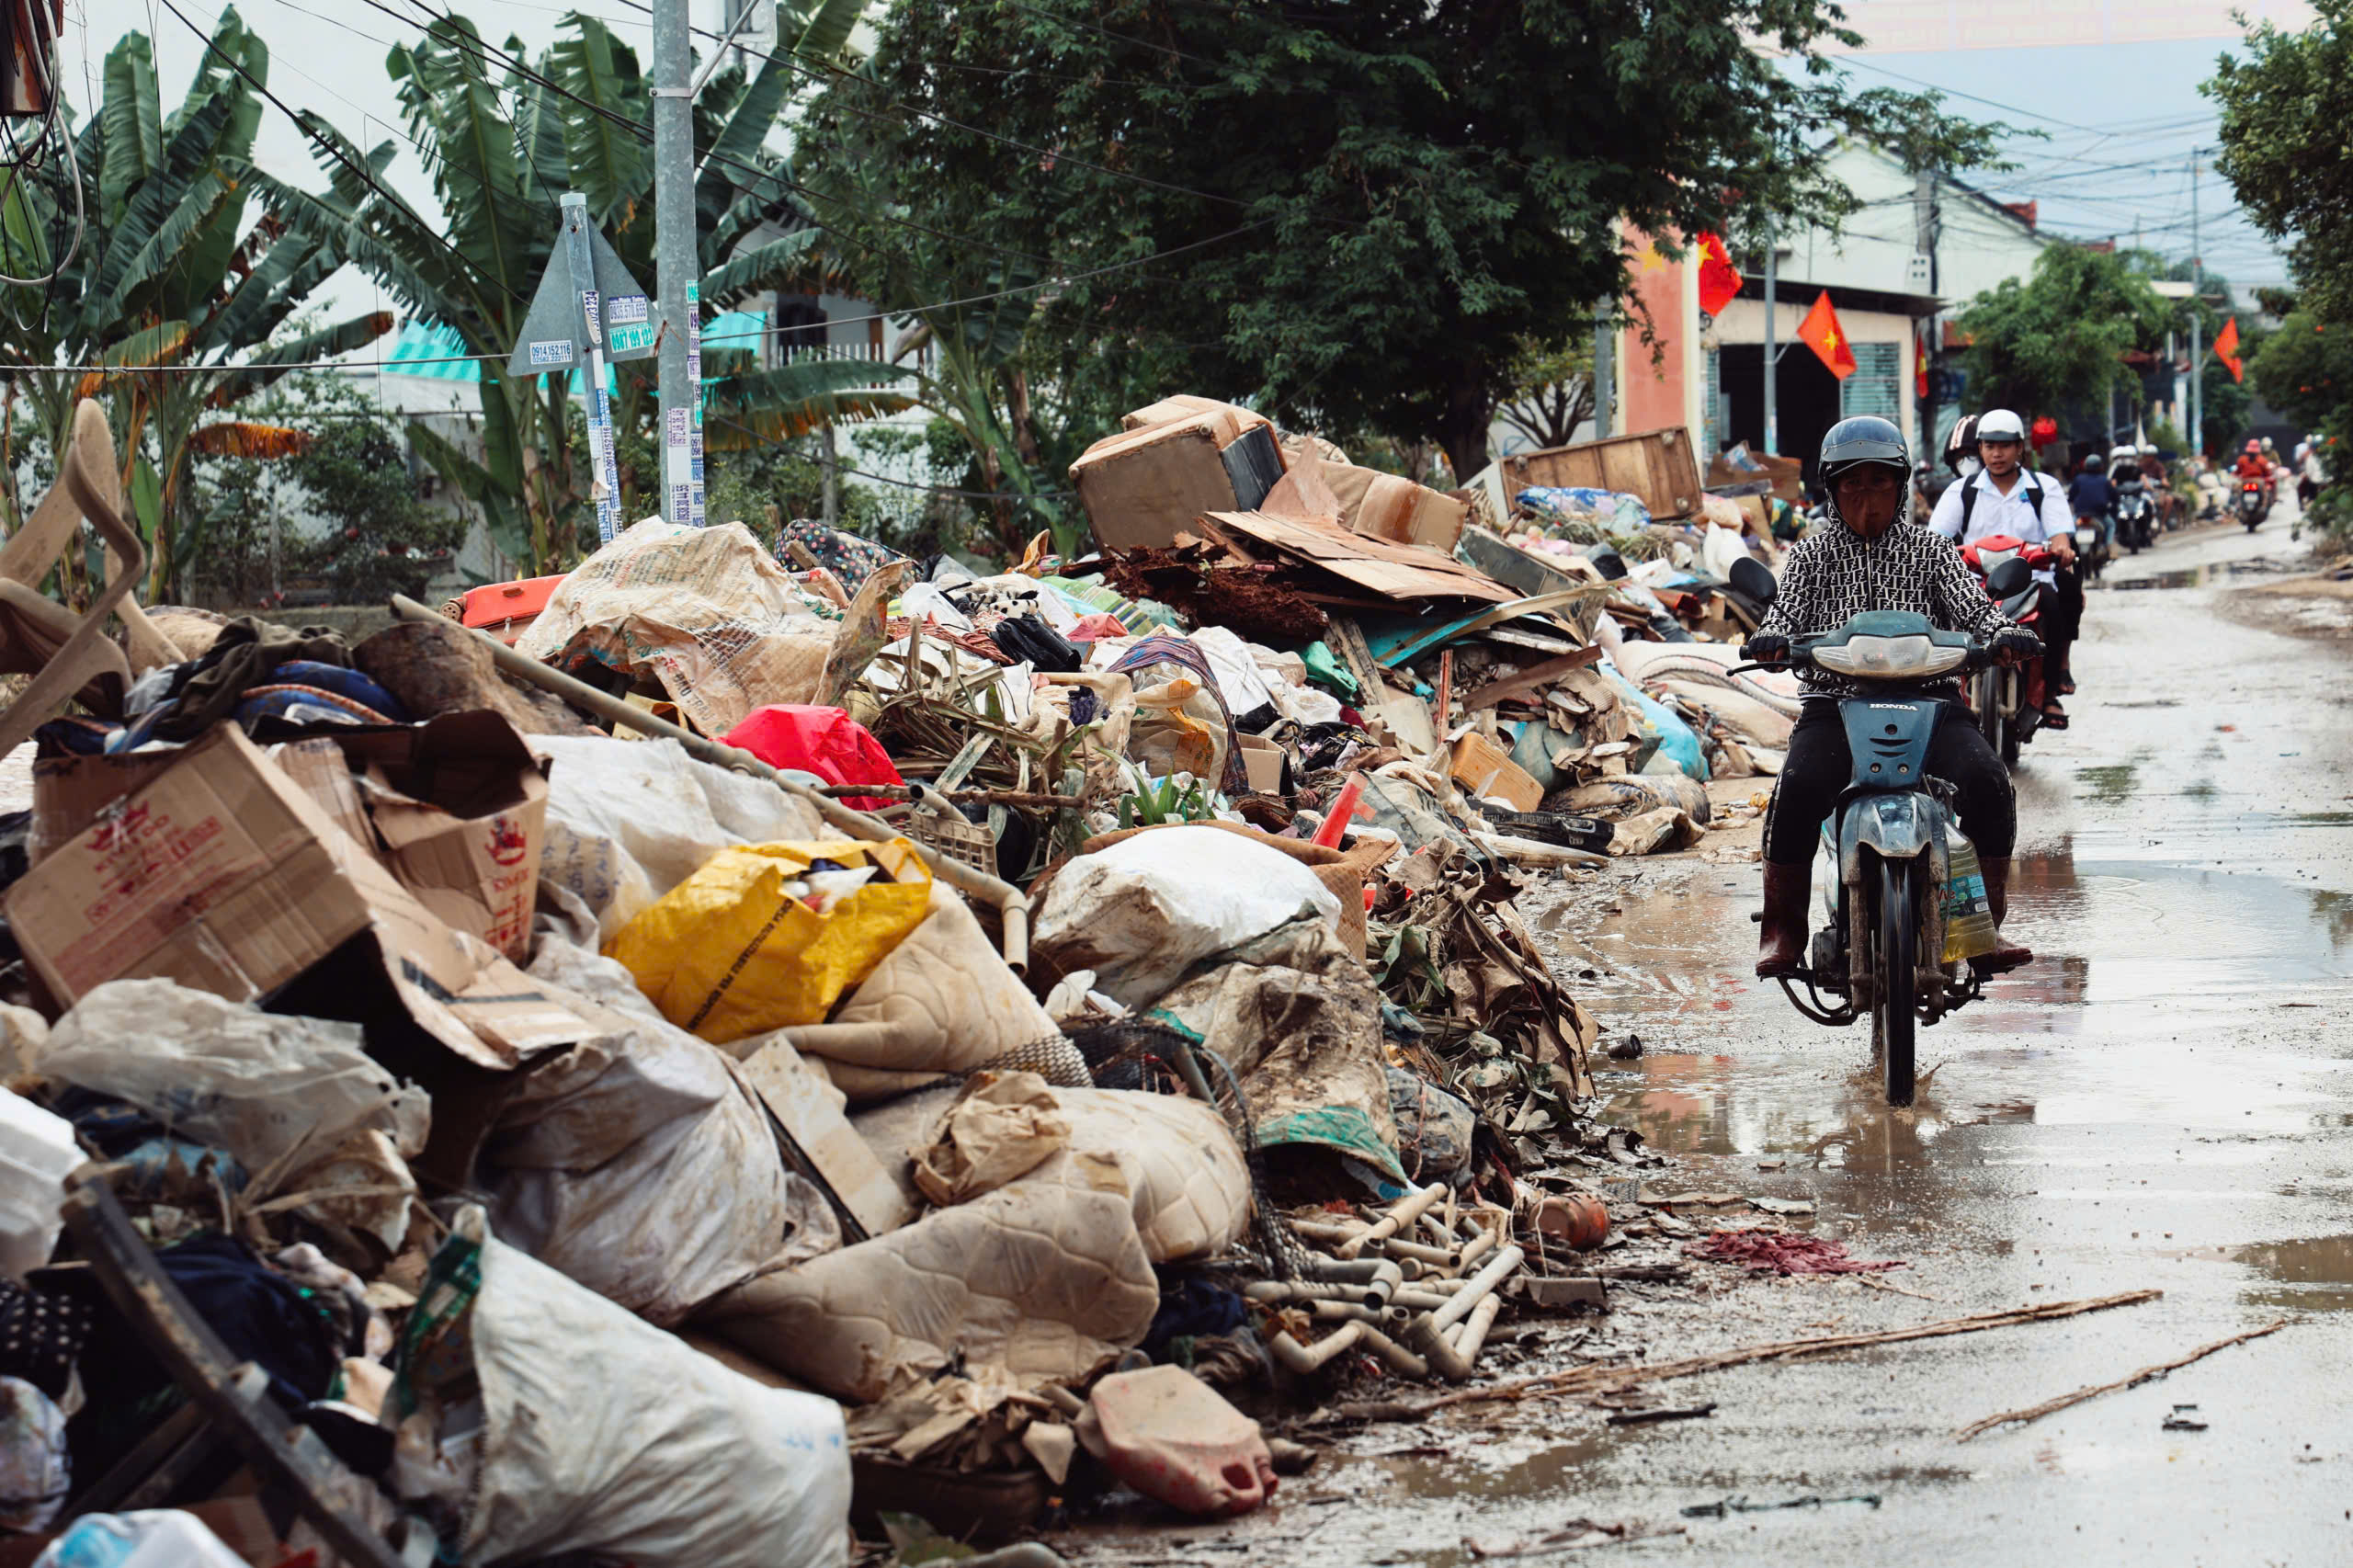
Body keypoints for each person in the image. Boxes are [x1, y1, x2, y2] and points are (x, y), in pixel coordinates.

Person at [1747, 415, 2040, 981]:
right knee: (1796, 789)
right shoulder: (1810, 557)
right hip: (1835, 706)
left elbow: (1974, 608)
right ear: (1832, 490)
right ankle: (1783, 929)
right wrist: (1772, 637)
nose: (1867, 498)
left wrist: (2002, 633)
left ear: (1900, 486)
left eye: (1879, 482)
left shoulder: (1932, 551)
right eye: (1852, 484)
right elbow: (1783, 614)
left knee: (1989, 782)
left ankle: (1983, 929)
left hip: (1931, 702)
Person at [1927, 408, 2080, 725]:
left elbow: (2059, 536)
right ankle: (1938, 689)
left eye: (2005, 446)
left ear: (2020, 448)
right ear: (1980, 449)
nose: (1997, 454)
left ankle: (2051, 691)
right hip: (1973, 583)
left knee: (2059, 600)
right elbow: (1935, 540)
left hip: (2032, 582)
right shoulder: (1961, 490)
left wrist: (2061, 549)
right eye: (1989, 446)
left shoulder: (2044, 487)